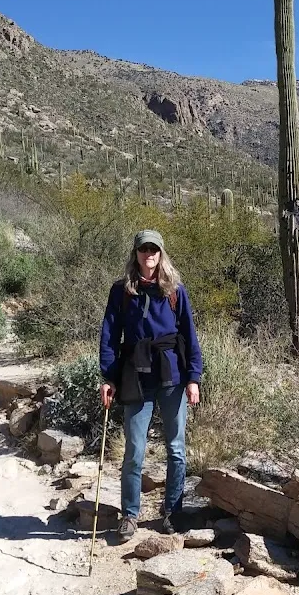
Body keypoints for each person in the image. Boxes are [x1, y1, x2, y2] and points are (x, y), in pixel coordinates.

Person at [99, 230, 202, 541]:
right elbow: (109, 337)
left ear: (161, 253)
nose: (149, 254)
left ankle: (173, 511)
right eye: (144, 249)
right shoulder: (122, 291)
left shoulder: (174, 290)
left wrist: (194, 377)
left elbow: (190, 335)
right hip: (135, 375)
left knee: (176, 449)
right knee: (134, 449)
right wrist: (108, 377)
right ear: (136, 254)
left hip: (172, 374)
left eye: (154, 249)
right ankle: (130, 514)